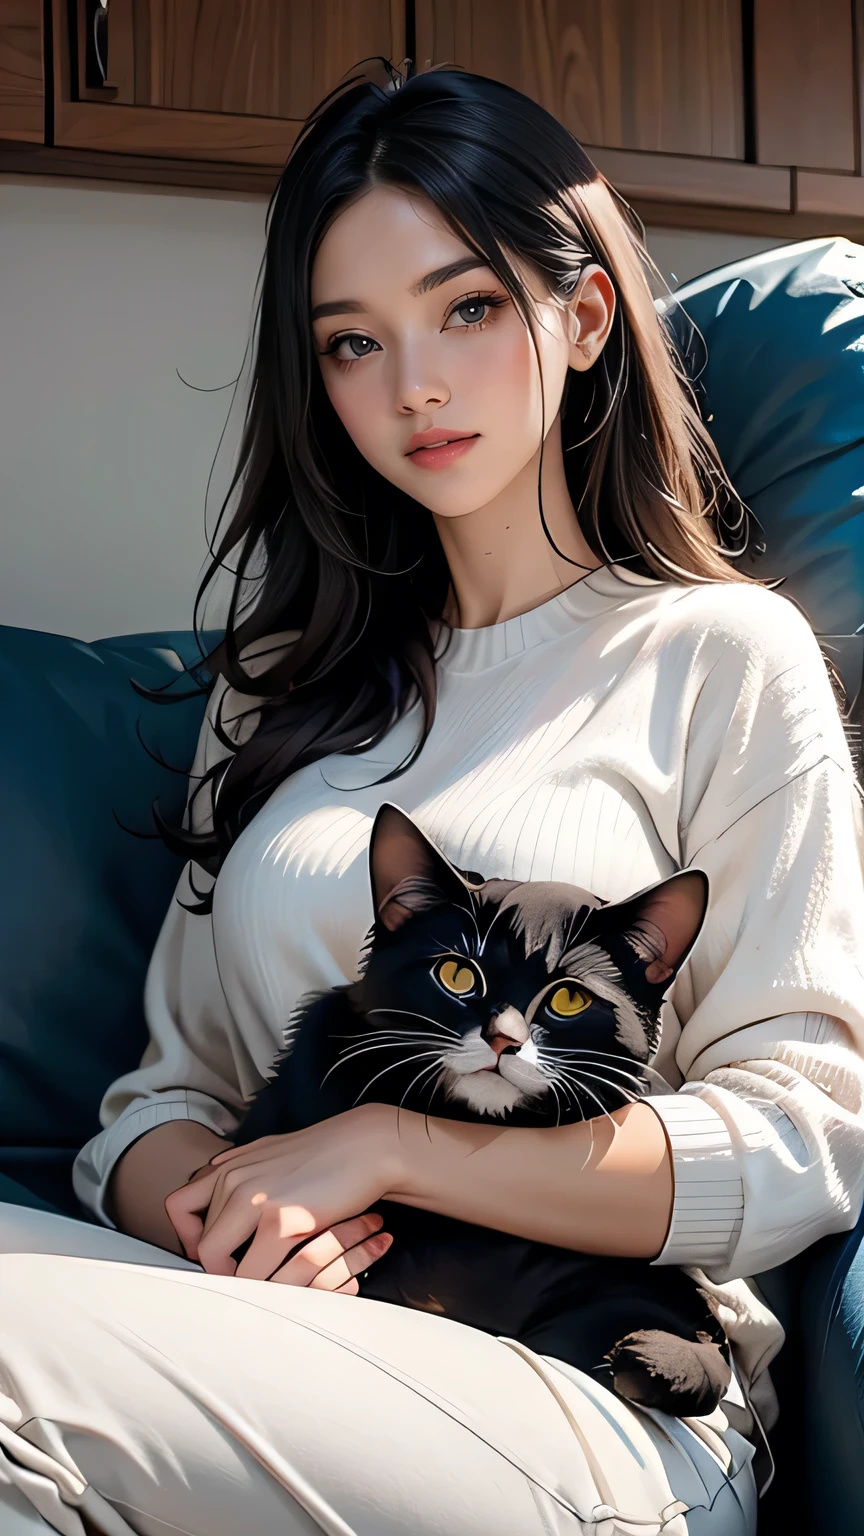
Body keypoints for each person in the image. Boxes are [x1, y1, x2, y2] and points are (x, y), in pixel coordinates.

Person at [1, 63, 863, 1536]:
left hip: (592, 1384)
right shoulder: (282, 684)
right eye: (353, 342)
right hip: (284, 1328)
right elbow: (163, 1101)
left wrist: (388, 1146)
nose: (412, 386)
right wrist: (224, 1208)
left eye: (466, 308)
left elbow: (810, 1134)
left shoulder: (722, 655)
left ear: (586, 317)